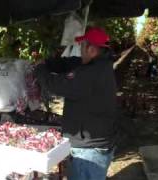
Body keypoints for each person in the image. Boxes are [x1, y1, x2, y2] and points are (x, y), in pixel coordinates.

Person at [34, 27, 118, 180]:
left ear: (92, 49)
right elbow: (71, 63)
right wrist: (48, 62)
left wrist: (39, 69)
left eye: (82, 47)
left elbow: (56, 85)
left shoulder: (90, 74)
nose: (80, 50)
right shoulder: (101, 64)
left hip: (89, 151)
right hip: (97, 143)